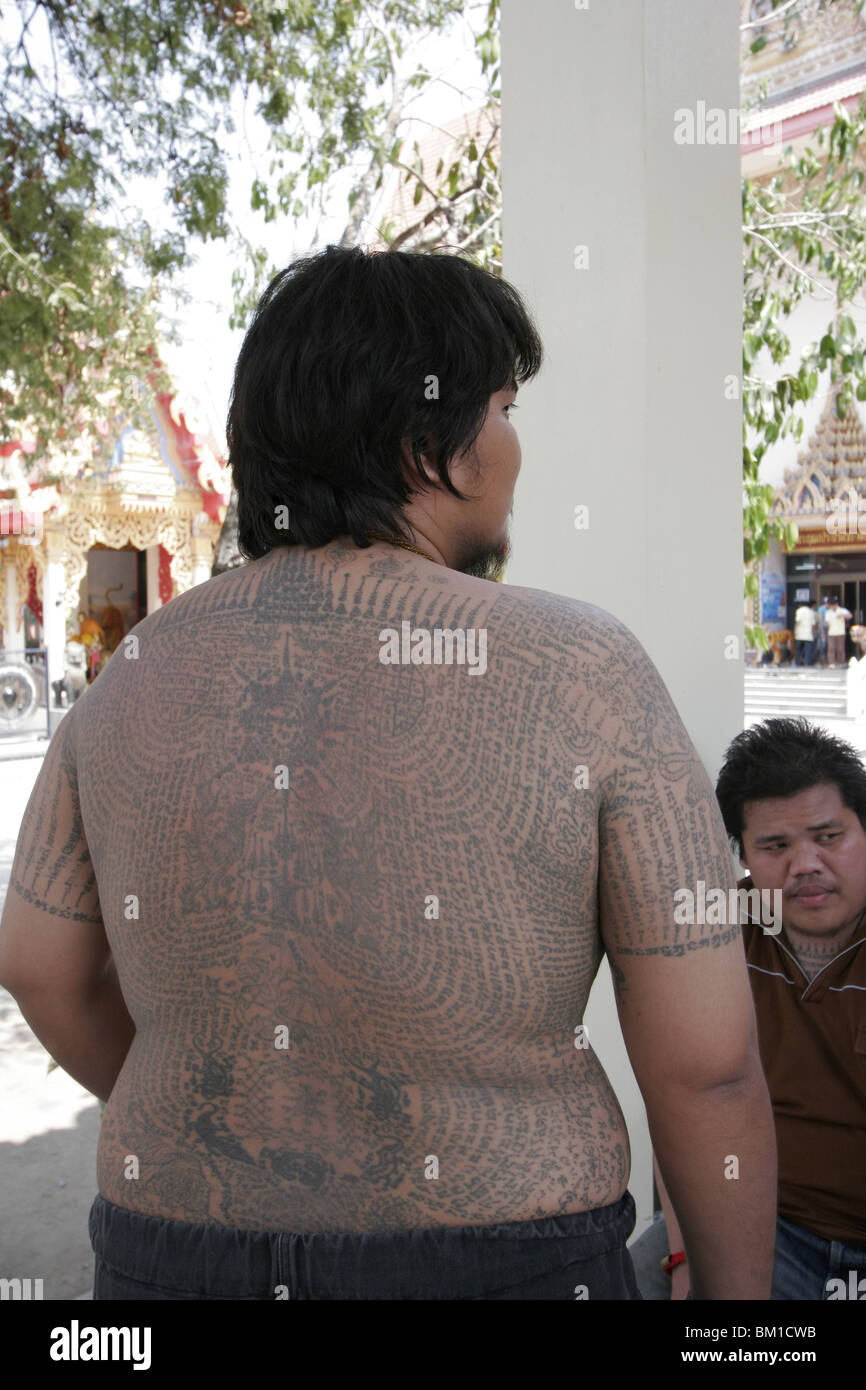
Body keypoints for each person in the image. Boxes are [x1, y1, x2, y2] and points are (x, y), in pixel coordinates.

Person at [0, 245, 776, 1302]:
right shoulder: (580, 669)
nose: (512, 446)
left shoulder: (127, 677)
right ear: (432, 444)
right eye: (501, 408)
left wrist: (220, 1105)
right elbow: (709, 1064)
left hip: (167, 1255)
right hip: (507, 1256)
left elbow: (40, 965)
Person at [632, 717, 866, 1301]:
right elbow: (684, 1107)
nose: (805, 864)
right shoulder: (718, 931)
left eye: (828, 836)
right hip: (760, 1230)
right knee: (633, 1278)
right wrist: (687, 1258)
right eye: (776, 846)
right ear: (740, 856)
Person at [825, 595, 852, 667]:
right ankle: (832, 663)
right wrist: (828, 626)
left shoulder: (842, 610)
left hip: (840, 632)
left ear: (836, 604)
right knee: (831, 648)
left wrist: (842, 615)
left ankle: (841, 662)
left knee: (841, 648)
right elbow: (827, 622)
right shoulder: (828, 612)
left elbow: (850, 616)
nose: (831, 607)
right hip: (831, 633)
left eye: (832, 605)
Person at [793, 599, 818, 666]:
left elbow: (797, 622)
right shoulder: (811, 612)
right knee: (808, 650)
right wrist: (814, 633)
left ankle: (797, 663)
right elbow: (813, 625)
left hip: (800, 634)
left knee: (798, 649)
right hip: (808, 634)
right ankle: (807, 663)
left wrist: (795, 631)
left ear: (800, 605)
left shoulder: (799, 611)